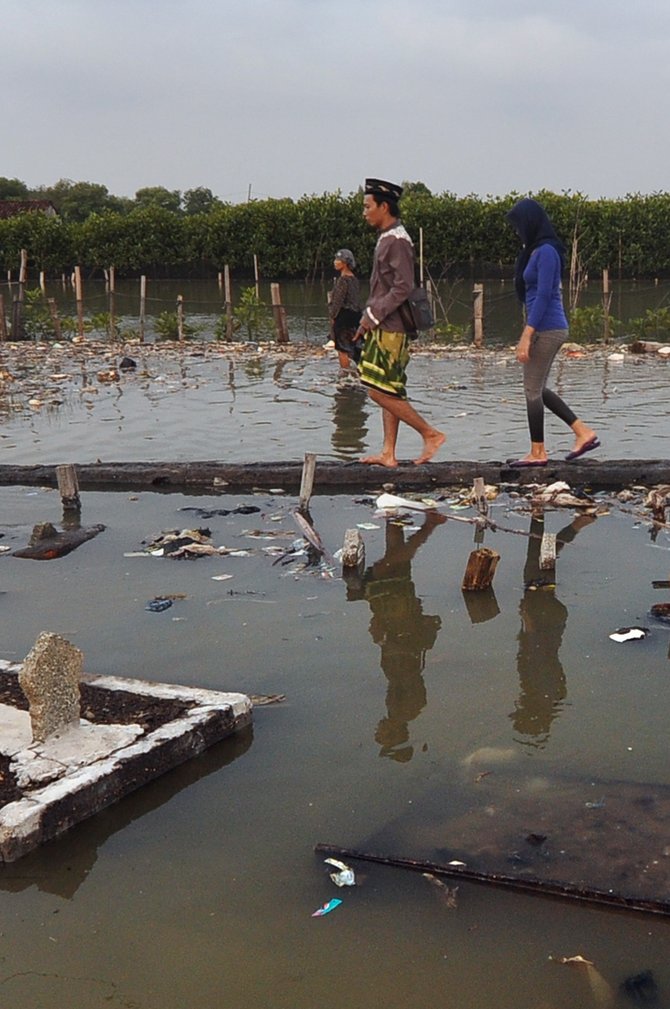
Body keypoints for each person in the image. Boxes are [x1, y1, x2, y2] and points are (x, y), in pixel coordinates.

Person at [355, 178, 445, 467]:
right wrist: (367, 319)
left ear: (384, 206)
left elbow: (403, 287)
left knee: (376, 389)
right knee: (389, 388)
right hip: (382, 324)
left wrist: (372, 316)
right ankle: (388, 453)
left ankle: (430, 433)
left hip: (391, 328)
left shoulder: (397, 241)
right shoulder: (388, 236)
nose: (364, 212)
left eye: (368, 206)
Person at [506, 197, 600, 466]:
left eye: (518, 226)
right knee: (537, 388)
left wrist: (527, 334)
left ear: (530, 223)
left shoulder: (546, 252)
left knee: (531, 391)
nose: (517, 231)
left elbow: (546, 294)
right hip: (544, 326)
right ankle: (583, 432)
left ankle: (538, 452)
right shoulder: (535, 251)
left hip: (548, 328)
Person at [326, 249, 361, 370]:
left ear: (345, 263)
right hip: (356, 316)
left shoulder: (343, 280)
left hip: (344, 316)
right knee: (354, 347)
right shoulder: (354, 279)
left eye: (338, 260)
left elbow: (337, 302)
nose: (335, 262)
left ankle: (345, 374)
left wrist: (333, 316)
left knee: (342, 348)